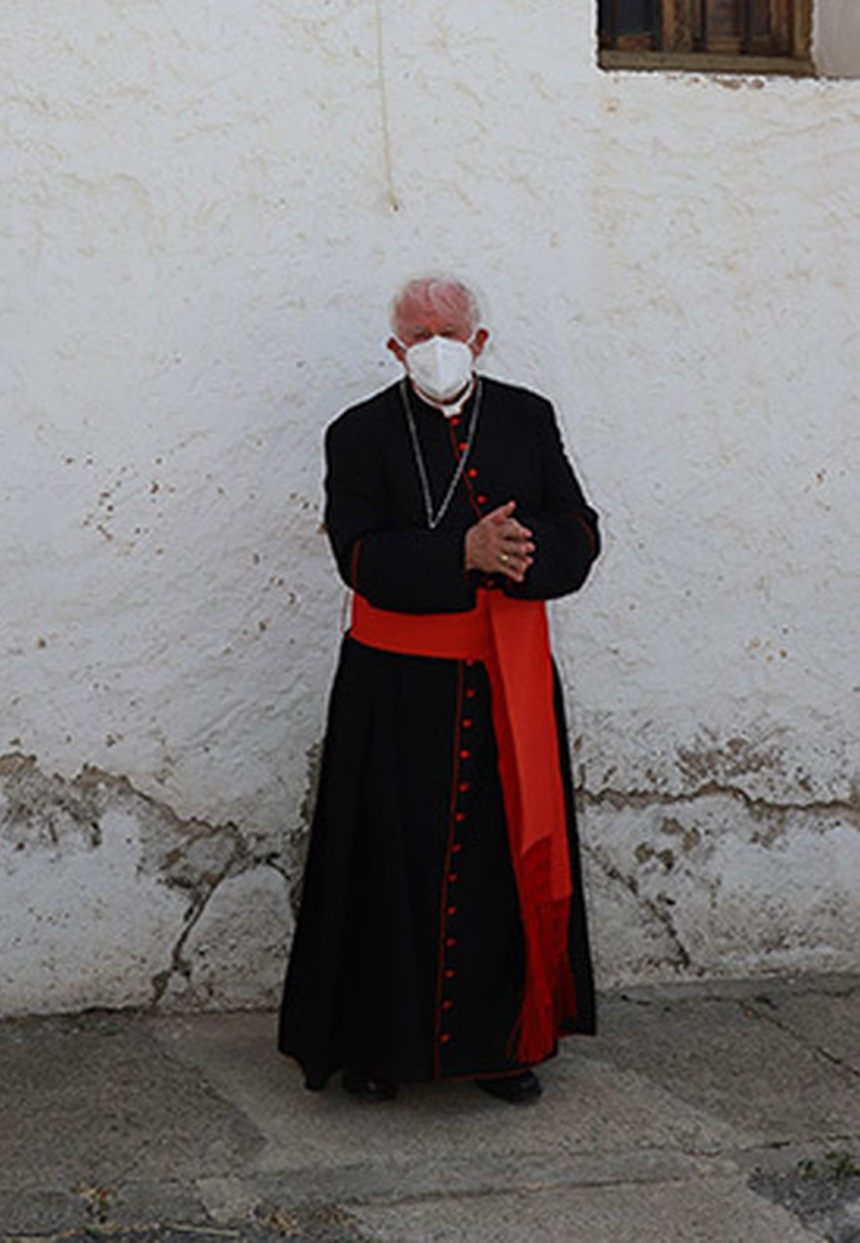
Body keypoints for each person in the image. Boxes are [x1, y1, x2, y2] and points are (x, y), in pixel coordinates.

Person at [278, 276, 600, 1104]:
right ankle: (379, 1049)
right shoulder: (357, 433)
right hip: (394, 691)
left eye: (449, 328)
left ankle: (499, 1047)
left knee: (499, 864)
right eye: (418, 332)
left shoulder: (527, 418)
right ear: (394, 349)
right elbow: (358, 554)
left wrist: (521, 555)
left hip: (505, 680)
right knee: (387, 866)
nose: (436, 342)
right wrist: (462, 554)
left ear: (480, 340)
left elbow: (580, 530)